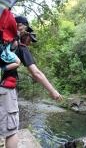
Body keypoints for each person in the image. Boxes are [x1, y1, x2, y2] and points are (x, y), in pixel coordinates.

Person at [0, 16, 63, 148]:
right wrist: (53, 91)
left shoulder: (3, 42)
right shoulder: (20, 47)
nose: (29, 40)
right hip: (5, 89)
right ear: (21, 26)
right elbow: (36, 73)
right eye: (28, 33)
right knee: (11, 132)